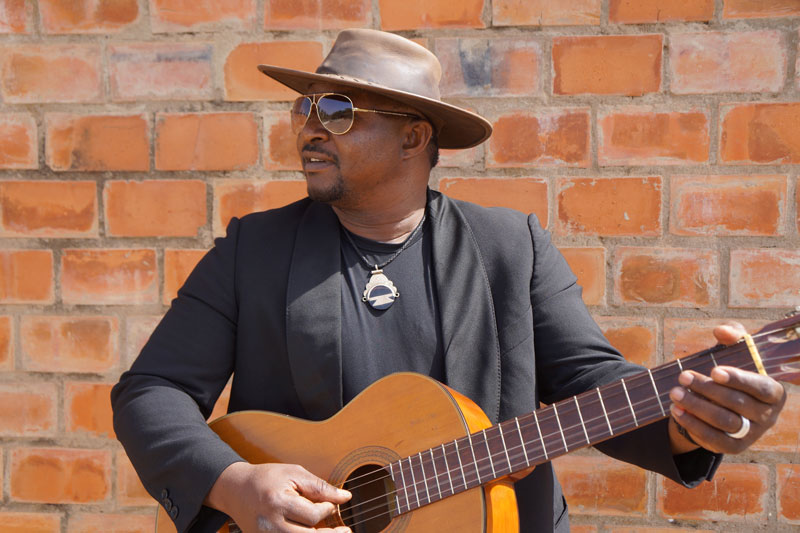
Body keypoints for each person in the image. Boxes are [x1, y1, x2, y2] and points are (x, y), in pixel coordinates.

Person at [111, 29, 787, 533]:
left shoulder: (509, 249)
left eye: (339, 112)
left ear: (414, 139)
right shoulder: (253, 250)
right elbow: (151, 390)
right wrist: (237, 483)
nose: (309, 128)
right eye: (304, 108)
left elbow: (592, 384)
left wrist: (695, 424)